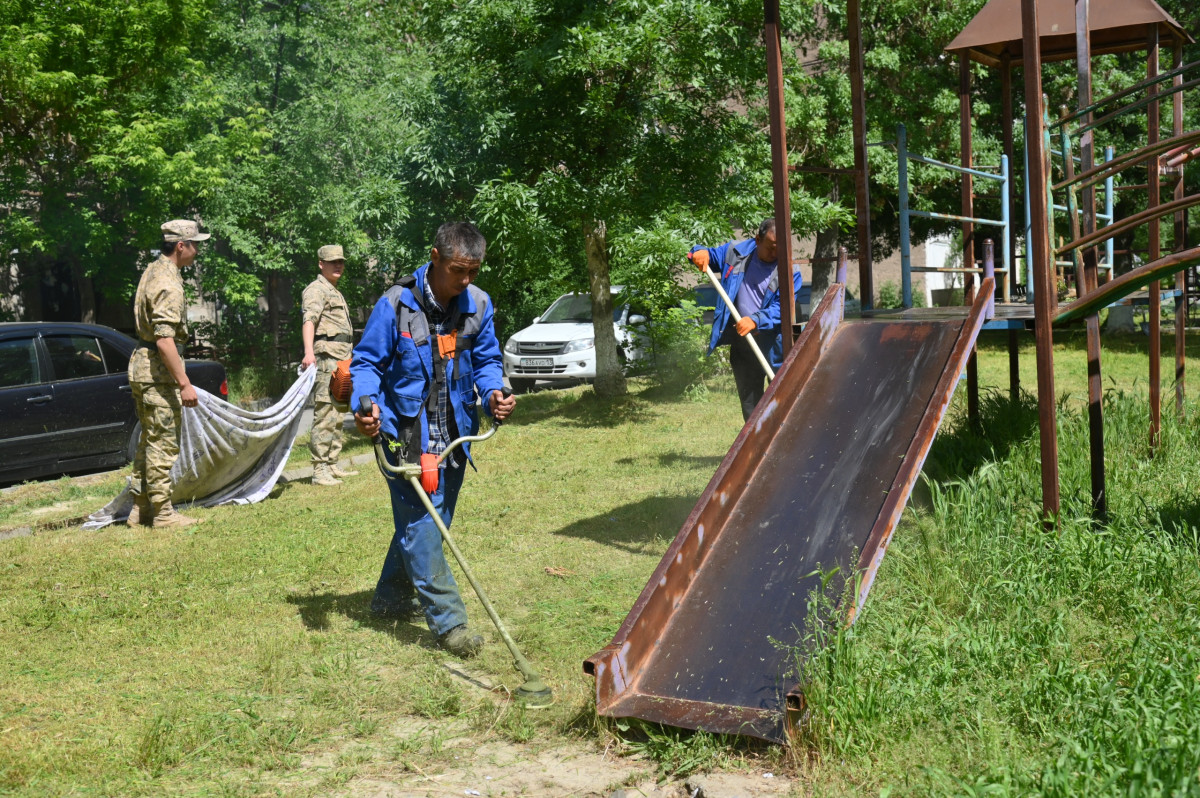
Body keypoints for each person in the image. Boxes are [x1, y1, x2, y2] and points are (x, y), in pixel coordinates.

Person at [350, 222, 516, 658]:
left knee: (428, 521)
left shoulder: (478, 303)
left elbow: (487, 359)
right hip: (407, 436)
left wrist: (496, 391)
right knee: (424, 525)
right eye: (458, 270)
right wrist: (365, 405)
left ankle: (388, 601)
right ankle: (450, 624)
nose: (465, 281)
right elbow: (365, 362)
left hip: (454, 435)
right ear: (435, 257)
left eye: (473, 272)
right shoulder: (395, 304)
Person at [126, 219, 209, 529]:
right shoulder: (168, 282)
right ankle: (162, 514)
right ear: (180, 246)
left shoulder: (153, 270)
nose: (197, 250)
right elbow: (164, 340)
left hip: (143, 367)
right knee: (163, 443)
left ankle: (139, 510)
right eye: (195, 244)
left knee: (149, 440)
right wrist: (184, 383)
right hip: (157, 374)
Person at [687, 218, 803, 422]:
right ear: (757, 239)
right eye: (770, 248)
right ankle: (758, 447)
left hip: (775, 343)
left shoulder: (790, 270)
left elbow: (783, 307)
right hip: (743, 342)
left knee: (785, 398)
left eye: (780, 249)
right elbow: (708, 255)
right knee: (751, 405)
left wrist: (756, 320)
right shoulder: (735, 253)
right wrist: (698, 251)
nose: (775, 254)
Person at [301, 244, 358, 486]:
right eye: (333, 261)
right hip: (326, 358)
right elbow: (309, 321)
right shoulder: (316, 290)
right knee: (325, 412)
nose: (338, 265)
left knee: (337, 412)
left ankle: (332, 463)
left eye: (341, 261)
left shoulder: (333, 290)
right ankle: (319, 470)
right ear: (320, 264)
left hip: (341, 358)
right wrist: (308, 353)